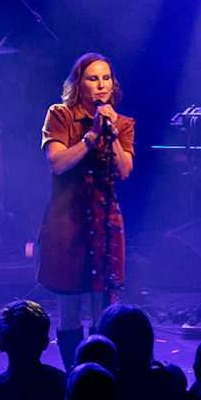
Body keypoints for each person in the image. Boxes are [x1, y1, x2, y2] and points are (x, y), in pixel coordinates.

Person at [37, 53, 135, 361]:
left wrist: (113, 136)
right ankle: (73, 379)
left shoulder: (123, 123)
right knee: (70, 313)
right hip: (68, 225)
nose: (102, 85)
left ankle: (101, 381)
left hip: (105, 224)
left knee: (104, 316)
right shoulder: (60, 115)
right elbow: (57, 163)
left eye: (106, 78)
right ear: (79, 84)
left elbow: (124, 170)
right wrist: (92, 137)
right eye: (93, 78)